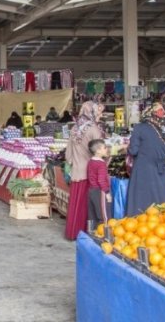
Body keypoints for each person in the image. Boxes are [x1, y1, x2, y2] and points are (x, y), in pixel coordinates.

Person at [126, 103, 165, 216]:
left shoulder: (140, 128)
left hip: (143, 170)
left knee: (141, 202)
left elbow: (133, 151)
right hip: (162, 170)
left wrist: (126, 149)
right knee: (162, 201)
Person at [64, 101, 105, 241]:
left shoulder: (75, 128)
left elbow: (68, 154)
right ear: (91, 112)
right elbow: (100, 152)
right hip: (89, 172)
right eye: (98, 112)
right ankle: (84, 233)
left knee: (76, 204)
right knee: (86, 205)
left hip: (76, 171)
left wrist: (73, 163)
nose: (101, 115)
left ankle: (72, 232)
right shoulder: (94, 129)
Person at [86, 139, 112, 226]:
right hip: (100, 191)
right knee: (103, 215)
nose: (106, 149)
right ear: (98, 151)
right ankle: (104, 235)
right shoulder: (101, 164)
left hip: (91, 190)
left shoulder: (91, 161)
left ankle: (92, 233)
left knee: (92, 214)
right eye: (104, 148)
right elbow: (101, 180)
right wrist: (107, 193)